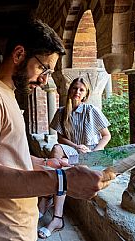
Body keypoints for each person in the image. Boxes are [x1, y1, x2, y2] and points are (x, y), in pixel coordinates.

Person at [0, 20, 115, 241]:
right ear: (19, 54)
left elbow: (6, 157)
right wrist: (63, 181)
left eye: (50, 73)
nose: (44, 80)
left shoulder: (8, 94)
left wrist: (44, 164)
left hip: (18, 224)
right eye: (43, 68)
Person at [37, 77, 111, 239]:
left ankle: (49, 204)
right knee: (57, 151)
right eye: (74, 88)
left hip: (91, 153)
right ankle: (54, 211)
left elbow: (106, 136)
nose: (77, 92)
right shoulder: (61, 112)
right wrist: (76, 147)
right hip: (74, 150)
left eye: (81, 90)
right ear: (69, 90)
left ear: (85, 94)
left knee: (61, 169)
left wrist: (94, 153)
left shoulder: (91, 110)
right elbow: (60, 139)